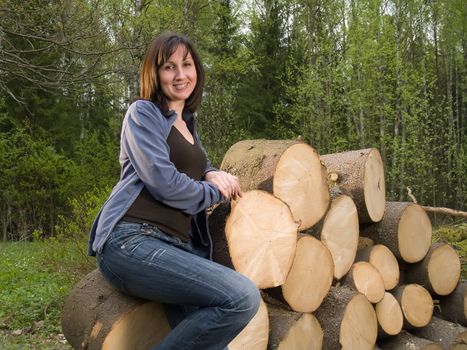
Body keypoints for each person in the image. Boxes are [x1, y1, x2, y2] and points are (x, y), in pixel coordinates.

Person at [87, 31, 260, 350]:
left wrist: (211, 171)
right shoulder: (143, 114)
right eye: (169, 67)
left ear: (197, 70)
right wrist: (214, 192)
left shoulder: (186, 122)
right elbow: (164, 181)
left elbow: (200, 165)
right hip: (131, 240)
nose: (181, 74)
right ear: (154, 73)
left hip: (175, 249)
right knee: (242, 297)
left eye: (187, 64)